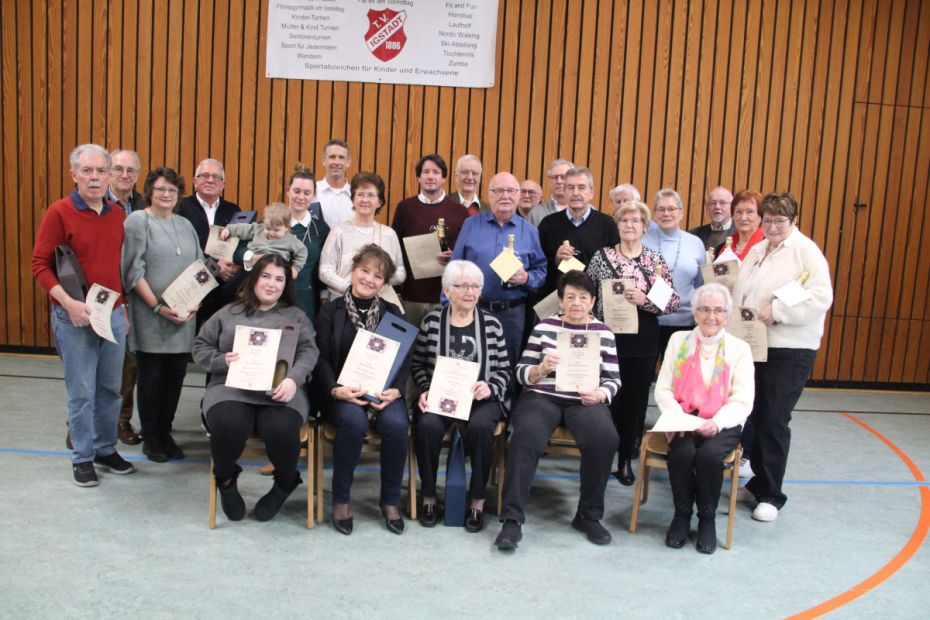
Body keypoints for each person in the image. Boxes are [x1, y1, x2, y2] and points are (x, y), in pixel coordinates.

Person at [495, 271, 621, 551]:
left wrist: (600, 393)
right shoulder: (544, 327)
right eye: (570, 297)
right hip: (543, 397)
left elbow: (614, 379)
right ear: (561, 301)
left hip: (584, 400)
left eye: (583, 297)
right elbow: (520, 372)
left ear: (593, 301)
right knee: (525, 436)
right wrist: (541, 369)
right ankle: (512, 521)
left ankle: (588, 515)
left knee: (605, 438)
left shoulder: (603, 332)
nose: (577, 303)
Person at [31, 144, 135, 486]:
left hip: (113, 314)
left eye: (100, 171)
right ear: (73, 174)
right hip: (73, 316)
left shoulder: (118, 214)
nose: (95, 177)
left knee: (110, 388)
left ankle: (106, 449)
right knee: (82, 391)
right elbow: (40, 265)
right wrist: (68, 303)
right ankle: (83, 456)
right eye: (87, 171)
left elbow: (117, 266)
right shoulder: (59, 213)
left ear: (109, 176)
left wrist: (123, 309)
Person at [192, 254, 319, 522]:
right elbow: (200, 346)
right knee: (229, 424)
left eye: (279, 279)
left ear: (286, 285)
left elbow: (309, 350)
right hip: (231, 388)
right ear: (254, 278)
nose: (271, 284)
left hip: (280, 390)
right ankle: (225, 481)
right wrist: (220, 360)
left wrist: (293, 379)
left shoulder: (295, 315)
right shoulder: (228, 313)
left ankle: (285, 483)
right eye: (266, 276)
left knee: (281, 429)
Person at [732, 192, 833, 522]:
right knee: (756, 415)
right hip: (755, 345)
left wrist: (777, 311)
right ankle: (760, 481)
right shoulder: (759, 250)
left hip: (790, 348)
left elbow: (821, 297)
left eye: (780, 221)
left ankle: (772, 495)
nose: (773, 226)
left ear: (793, 222)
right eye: (769, 220)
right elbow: (742, 293)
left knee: (775, 419)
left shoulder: (805, 251)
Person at [314, 245, 410, 535]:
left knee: (395, 424)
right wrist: (334, 390)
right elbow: (320, 357)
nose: (369, 279)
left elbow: (404, 358)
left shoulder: (393, 314)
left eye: (378, 276)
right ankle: (341, 499)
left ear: (384, 283)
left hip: (383, 392)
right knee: (353, 424)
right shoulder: (330, 311)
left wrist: (396, 390)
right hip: (343, 392)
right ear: (352, 271)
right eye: (364, 270)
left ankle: (390, 499)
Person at [411, 260, 511, 532]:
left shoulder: (492, 324)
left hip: (480, 399)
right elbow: (418, 364)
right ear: (447, 290)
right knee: (427, 426)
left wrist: (490, 387)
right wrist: (424, 389)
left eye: (475, 286)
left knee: (480, 428)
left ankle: (477, 500)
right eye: (463, 286)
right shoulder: (432, 321)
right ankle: (430, 496)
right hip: (441, 395)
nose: (470, 292)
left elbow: (504, 369)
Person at [654, 283, 755, 554]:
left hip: (723, 422)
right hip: (683, 419)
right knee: (683, 454)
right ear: (695, 313)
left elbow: (743, 399)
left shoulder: (739, 348)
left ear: (727, 314)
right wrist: (676, 416)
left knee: (709, 457)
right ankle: (682, 514)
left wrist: (717, 423)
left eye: (719, 310)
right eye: (704, 309)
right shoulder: (678, 341)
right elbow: (663, 388)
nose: (711, 316)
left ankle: (707, 518)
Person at [586, 200, 679, 486]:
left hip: (642, 343)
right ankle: (601, 456)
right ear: (617, 225)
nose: (629, 226)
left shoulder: (655, 261)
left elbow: (672, 302)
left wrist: (646, 299)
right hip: (607, 340)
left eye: (636, 221)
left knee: (634, 403)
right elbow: (587, 295)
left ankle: (625, 459)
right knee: (605, 401)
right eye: (624, 220)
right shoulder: (601, 257)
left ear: (644, 226)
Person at [121, 167, 202, 462]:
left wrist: (194, 304)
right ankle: (151, 437)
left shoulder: (185, 224)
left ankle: (165, 432)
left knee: (175, 378)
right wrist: (157, 306)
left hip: (183, 318)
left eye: (172, 190)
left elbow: (199, 269)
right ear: (149, 193)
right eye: (160, 190)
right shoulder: (138, 221)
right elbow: (132, 270)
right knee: (152, 379)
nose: (167, 195)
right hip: (151, 316)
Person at [451, 172, 547, 370]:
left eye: (511, 190)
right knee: (469, 365)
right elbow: (455, 266)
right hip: (473, 309)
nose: (505, 196)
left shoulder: (529, 231)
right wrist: (449, 306)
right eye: (499, 190)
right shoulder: (471, 225)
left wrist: (527, 278)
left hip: (512, 313)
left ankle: (505, 402)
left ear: (518, 195)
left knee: (508, 367)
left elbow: (541, 270)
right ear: (489, 194)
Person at [392, 154, 469, 330]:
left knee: (440, 348)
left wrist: (454, 257)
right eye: (425, 172)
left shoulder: (459, 212)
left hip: (446, 296)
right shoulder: (405, 208)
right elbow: (394, 249)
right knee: (410, 348)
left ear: (444, 178)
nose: (430, 176)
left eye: (436, 172)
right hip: (412, 296)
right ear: (418, 177)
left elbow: (467, 253)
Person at [319, 171, 406, 301]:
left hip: (379, 304)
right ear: (353, 199)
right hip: (342, 303)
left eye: (371, 195)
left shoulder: (389, 234)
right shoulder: (338, 232)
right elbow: (324, 270)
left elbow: (401, 272)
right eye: (360, 195)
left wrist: (376, 283)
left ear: (380, 202)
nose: (365, 200)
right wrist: (352, 288)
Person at [108, 149, 146, 446]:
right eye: (118, 169)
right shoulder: (94, 203)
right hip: (99, 294)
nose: (125, 175)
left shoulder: (143, 206)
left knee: (129, 362)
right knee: (95, 362)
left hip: (134, 295)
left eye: (130, 170)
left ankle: (121, 420)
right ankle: (82, 423)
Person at [537, 167, 621, 298]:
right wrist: (556, 259)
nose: (576, 193)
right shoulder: (548, 224)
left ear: (591, 193)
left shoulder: (608, 224)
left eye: (581, 187)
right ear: (564, 192)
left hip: (594, 300)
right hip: (558, 301)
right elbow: (538, 266)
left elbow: (616, 267)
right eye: (570, 188)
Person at [175, 158, 241, 322]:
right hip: (191, 288)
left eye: (216, 177)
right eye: (204, 176)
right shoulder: (180, 208)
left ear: (223, 185)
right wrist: (214, 266)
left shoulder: (234, 210)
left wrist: (232, 265)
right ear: (195, 181)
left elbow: (239, 244)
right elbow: (179, 248)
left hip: (224, 291)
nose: (210, 180)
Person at [643, 188, 706, 354]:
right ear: (654, 213)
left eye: (671, 209)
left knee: (679, 376)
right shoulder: (641, 240)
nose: (666, 213)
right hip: (649, 320)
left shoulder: (695, 242)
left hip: (685, 322)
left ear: (681, 212)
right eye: (661, 209)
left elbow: (701, 283)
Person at [285, 163, 330, 322]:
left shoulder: (322, 229)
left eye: (307, 192)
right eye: (296, 191)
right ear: (288, 191)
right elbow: (242, 250)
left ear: (314, 196)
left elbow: (326, 265)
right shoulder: (272, 223)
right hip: (273, 298)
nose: (301, 197)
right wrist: (251, 257)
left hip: (307, 301)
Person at [221, 202, 308, 276]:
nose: (271, 233)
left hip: (275, 271)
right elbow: (243, 228)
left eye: (276, 230)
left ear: (287, 227)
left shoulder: (290, 240)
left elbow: (302, 251)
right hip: (252, 268)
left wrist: (295, 268)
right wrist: (229, 230)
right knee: (229, 288)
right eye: (268, 228)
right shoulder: (258, 229)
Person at [714, 189, 764, 261]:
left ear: (760, 216)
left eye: (749, 212)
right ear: (733, 216)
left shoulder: (768, 246)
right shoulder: (721, 248)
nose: (743, 218)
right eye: (739, 212)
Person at [316, 139, 354, 229]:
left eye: (341, 157)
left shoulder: (356, 195)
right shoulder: (311, 192)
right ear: (323, 160)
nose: (336, 162)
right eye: (332, 157)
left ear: (348, 162)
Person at [527, 158, 573, 227]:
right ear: (549, 181)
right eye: (555, 177)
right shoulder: (536, 213)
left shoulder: (587, 211)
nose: (559, 181)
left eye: (563, 177)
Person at [689, 186, 737, 251]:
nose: (717, 207)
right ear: (707, 207)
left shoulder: (740, 233)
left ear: (732, 206)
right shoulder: (693, 235)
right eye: (713, 203)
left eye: (722, 202)